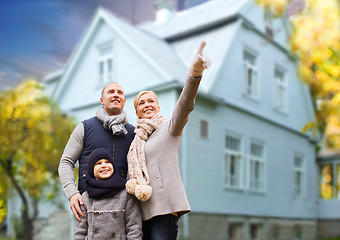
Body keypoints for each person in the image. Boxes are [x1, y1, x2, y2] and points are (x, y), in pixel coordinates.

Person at [125, 41, 211, 240]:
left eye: (151, 101)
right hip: (139, 212)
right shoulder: (135, 139)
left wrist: (194, 73)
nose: (147, 105)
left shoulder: (170, 128)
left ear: (157, 106)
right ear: (136, 111)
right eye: (141, 103)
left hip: (164, 209)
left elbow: (184, 105)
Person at [58, 82, 135, 222]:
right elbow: (66, 162)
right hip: (89, 205)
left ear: (124, 101)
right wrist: (72, 193)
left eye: (120, 92)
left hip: (123, 207)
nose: (116, 94)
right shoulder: (85, 128)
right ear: (102, 100)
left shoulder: (133, 133)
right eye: (111, 92)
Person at [73, 148, 142, 240]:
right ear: (91, 170)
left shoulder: (125, 194)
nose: (104, 166)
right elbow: (80, 232)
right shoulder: (86, 197)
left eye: (107, 162)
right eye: (98, 163)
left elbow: (134, 228)